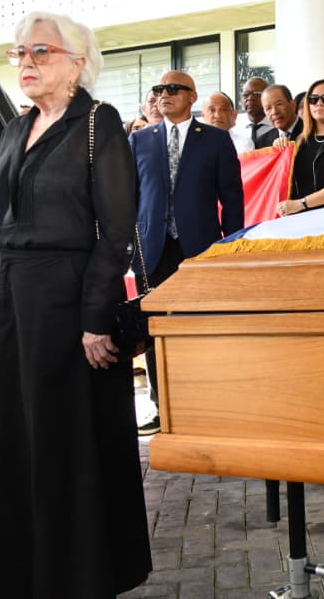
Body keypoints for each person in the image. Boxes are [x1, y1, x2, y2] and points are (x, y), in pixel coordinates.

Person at [0, 11, 150, 597]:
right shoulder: (13, 128)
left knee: (63, 442)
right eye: (19, 52)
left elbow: (116, 229)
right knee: (15, 443)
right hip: (12, 302)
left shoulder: (99, 123)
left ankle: (77, 577)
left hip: (69, 298)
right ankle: (25, 577)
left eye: (41, 51)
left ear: (78, 64)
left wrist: (95, 318)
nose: (25, 62)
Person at [130, 70, 244, 434]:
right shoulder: (139, 140)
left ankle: (205, 404)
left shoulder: (215, 140)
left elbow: (232, 198)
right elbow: (129, 199)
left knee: (202, 325)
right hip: (153, 251)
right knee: (154, 329)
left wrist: (231, 247)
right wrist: (132, 247)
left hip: (200, 249)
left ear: (192, 96)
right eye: (158, 89)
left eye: (172, 88)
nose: (163, 94)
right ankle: (161, 407)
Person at [276, 79, 324, 216]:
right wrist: (277, 151)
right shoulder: (299, 141)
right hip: (301, 219)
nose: (319, 103)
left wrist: (302, 203)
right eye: (313, 99)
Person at [231, 76, 269, 153]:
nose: (250, 98)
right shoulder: (234, 126)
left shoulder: (278, 125)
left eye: (257, 93)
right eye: (246, 94)